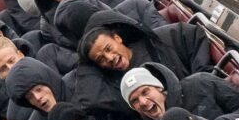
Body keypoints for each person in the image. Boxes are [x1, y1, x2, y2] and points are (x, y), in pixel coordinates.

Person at [77, 8, 222, 82]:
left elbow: (194, 34)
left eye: (108, 49)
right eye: (101, 59)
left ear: (117, 38)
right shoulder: (119, 84)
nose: (109, 58)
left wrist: (200, 75)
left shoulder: (158, 39)